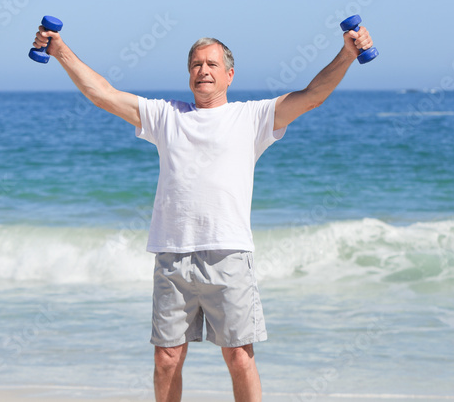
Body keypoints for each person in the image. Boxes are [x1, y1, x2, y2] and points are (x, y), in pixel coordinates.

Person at [33, 21, 374, 402]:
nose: (203, 71)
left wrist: (347, 54)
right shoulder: (166, 116)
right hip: (173, 255)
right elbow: (103, 94)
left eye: (212, 64)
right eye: (196, 65)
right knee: (166, 359)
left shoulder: (252, 118)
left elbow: (313, 95)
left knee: (239, 357)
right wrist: (59, 50)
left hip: (228, 254)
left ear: (229, 74)